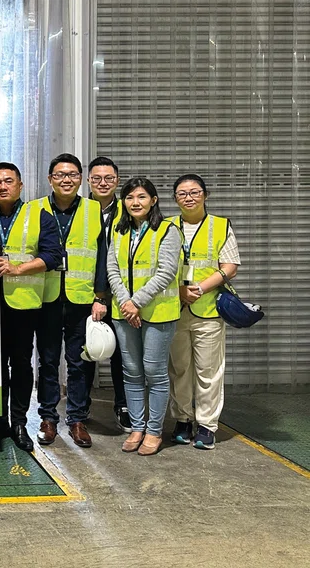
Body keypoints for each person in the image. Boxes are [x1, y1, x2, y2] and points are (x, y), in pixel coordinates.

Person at [0, 162, 61, 453]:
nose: (3, 187)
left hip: (24, 303)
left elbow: (53, 255)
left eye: (8, 181)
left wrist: (18, 269)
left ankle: (19, 422)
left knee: (20, 364)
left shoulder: (39, 215)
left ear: (20, 185)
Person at [31, 154, 106, 449]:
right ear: (50, 179)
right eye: (60, 175)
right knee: (48, 361)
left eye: (72, 174)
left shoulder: (92, 209)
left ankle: (76, 419)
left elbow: (103, 255)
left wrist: (100, 296)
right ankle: (48, 418)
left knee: (79, 362)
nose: (66, 180)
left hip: (81, 298)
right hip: (46, 297)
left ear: (81, 179)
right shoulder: (35, 209)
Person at [107, 177, 181, 456]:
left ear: (153, 200)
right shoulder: (119, 230)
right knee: (132, 372)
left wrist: (136, 303)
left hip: (158, 313)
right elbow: (112, 269)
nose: (135, 202)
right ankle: (137, 428)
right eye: (129, 197)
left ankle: (154, 431)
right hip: (124, 313)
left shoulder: (167, 230)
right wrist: (126, 304)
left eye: (141, 197)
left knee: (155, 372)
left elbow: (167, 271)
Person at [167, 174, 241, 450]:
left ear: (205, 195)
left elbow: (230, 266)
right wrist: (179, 292)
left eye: (194, 192)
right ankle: (183, 420)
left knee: (208, 371)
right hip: (174, 309)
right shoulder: (165, 226)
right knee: (179, 369)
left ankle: (207, 425)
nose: (188, 197)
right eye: (182, 193)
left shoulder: (220, 226)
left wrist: (198, 288)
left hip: (208, 310)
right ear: (175, 198)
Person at [83, 156, 131, 432]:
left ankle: (123, 405)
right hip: (84, 293)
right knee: (86, 351)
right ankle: (81, 404)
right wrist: (95, 296)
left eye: (109, 178)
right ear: (88, 181)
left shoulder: (128, 210)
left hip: (122, 295)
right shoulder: (80, 210)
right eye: (97, 178)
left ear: (117, 181)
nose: (103, 183)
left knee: (122, 355)